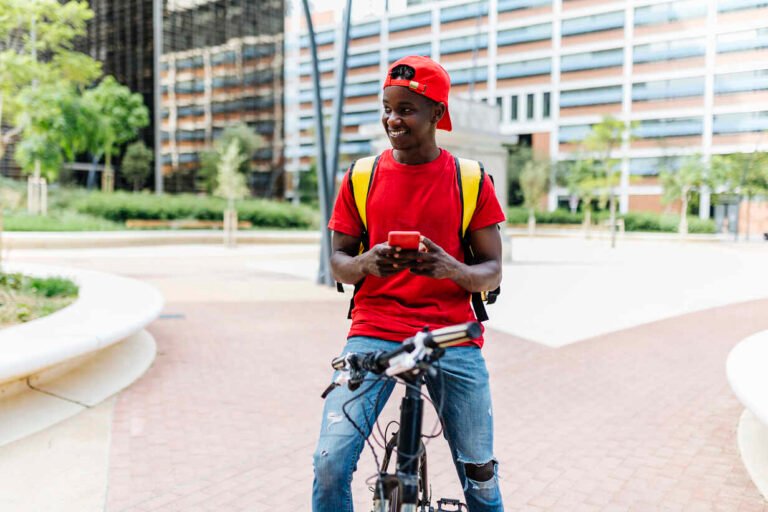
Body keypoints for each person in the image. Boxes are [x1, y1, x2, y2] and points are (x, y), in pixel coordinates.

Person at [312, 55, 506, 512]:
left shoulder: (470, 179)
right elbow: (338, 263)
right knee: (329, 463)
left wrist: (452, 269)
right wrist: (366, 263)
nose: (392, 120)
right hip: (372, 331)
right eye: (387, 108)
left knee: (480, 473)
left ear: (437, 113)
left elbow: (492, 270)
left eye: (405, 109)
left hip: (451, 336)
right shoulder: (363, 175)